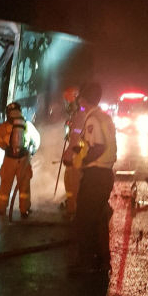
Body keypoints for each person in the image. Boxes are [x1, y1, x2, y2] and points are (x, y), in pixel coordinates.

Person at [73, 81, 117, 272]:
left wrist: (80, 162)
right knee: (98, 219)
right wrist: (76, 151)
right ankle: (102, 260)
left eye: (80, 97)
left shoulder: (92, 120)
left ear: (84, 99)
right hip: (104, 175)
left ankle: (86, 263)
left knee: (84, 220)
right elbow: (90, 145)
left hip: (95, 176)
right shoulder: (103, 117)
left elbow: (98, 146)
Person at [0, 101, 40, 218]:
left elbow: (0, 142)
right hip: (24, 159)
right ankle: (25, 210)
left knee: (5, 184)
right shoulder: (27, 125)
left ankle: (1, 208)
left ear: (8, 113)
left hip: (9, 159)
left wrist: (9, 149)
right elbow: (37, 140)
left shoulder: (3, 127)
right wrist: (31, 153)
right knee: (24, 185)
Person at [61, 87, 86, 218]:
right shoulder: (77, 114)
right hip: (77, 152)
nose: (66, 104)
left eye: (67, 101)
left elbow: (76, 137)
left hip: (77, 154)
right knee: (70, 180)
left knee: (73, 181)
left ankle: (74, 209)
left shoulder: (79, 115)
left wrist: (68, 153)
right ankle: (71, 205)